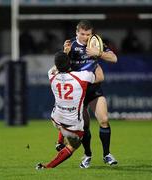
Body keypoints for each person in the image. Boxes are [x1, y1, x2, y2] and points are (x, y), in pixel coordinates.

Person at [56, 20, 118, 168]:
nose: (85, 37)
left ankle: (107, 154)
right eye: (82, 34)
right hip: (78, 91)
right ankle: (88, 154)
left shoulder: (95, 42)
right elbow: (61, 66)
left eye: (88, 34)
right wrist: (65, 53)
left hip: (93, 88)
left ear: (92, 33)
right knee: (85, 127)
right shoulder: (70, 45)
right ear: (77, 33)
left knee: (104, 119)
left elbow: (114, 58)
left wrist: (99, 53)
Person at [36, 51, 104, 169]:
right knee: (73, 145)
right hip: (73, 127)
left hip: (55, 120)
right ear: (69, 63)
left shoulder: (51, 75)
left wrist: (65, 53)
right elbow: (100, 77)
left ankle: (59, 142)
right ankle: (48, 167)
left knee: (61, 111)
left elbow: (55, 67)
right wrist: (95, 61)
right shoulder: (83, 76)